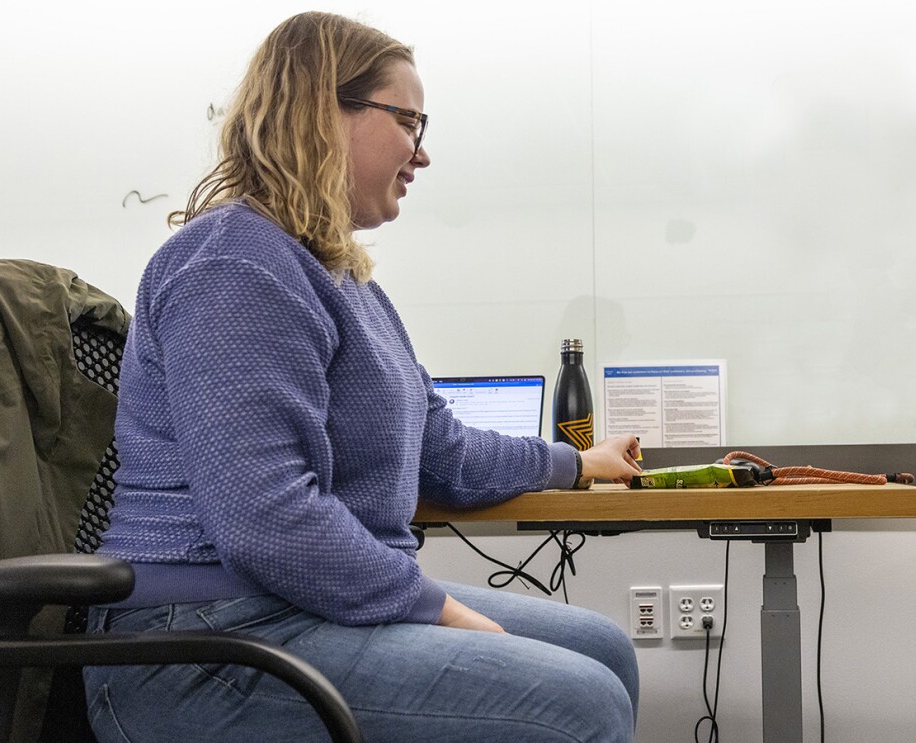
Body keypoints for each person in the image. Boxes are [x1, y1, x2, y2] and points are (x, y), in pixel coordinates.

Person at [84, 11, 643, 743]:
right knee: (579, 703)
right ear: (322, 113)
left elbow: (442, 451)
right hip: (194, 643)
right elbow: (266, 520)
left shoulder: (340, 278)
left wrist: (577, 462)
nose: (423, 152)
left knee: (602, 651)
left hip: (286, 611)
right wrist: (439, 610)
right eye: (409, 121)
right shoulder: (232, 265)